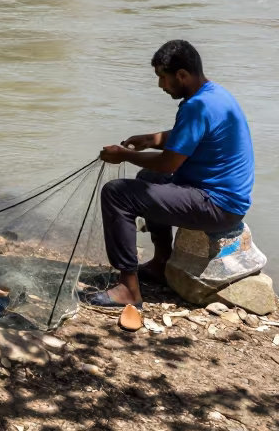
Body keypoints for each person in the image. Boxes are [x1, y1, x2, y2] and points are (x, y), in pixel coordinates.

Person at [89, 40, 254, 307]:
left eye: (163, 78)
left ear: (182, 75)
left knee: (116, 194)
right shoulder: (214, 95)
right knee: (147, 179)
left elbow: (168, 164)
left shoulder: (195, 107)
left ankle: (128, 289)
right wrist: (153, 139)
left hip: (217, 205)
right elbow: (195, 135)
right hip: (229, 200)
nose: (161, 85)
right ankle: (161, 263)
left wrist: (124, 155)